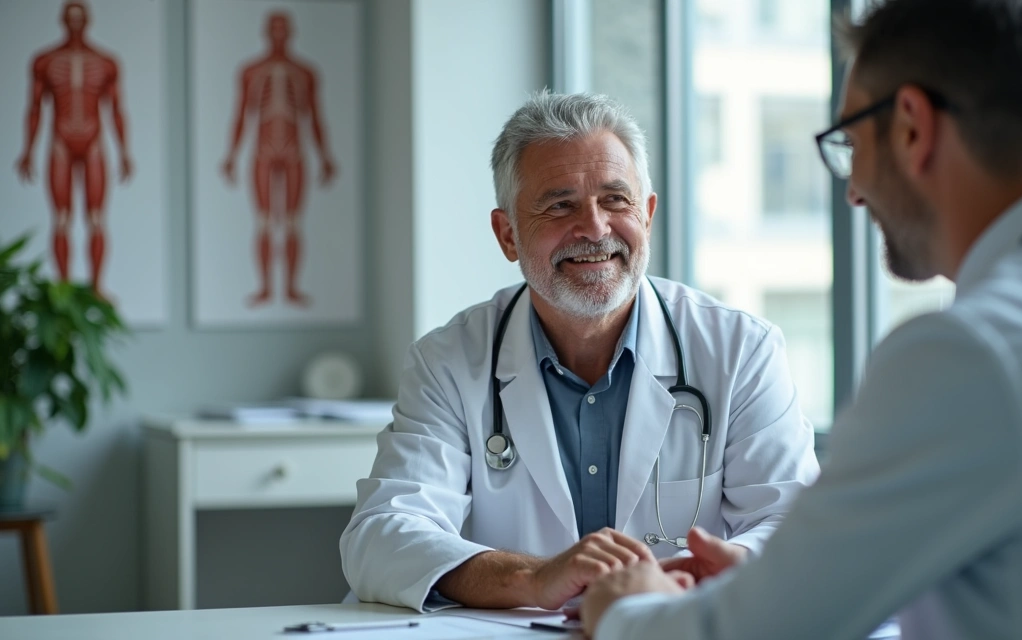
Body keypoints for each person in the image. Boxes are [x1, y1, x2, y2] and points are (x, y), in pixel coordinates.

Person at [578, 0, 1022, 637]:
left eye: (852, 142)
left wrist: (626, 607)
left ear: (912, 127)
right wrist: (783, 583)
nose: (853, 189)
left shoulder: (974, 352)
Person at [340, 91, 819, 612]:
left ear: (648, 215)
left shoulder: (741, 351)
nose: (594, 228)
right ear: (508, 235)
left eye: (616, 199)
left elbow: (793, 527)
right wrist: (535, 578)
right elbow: (381, 536)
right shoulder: (450, 361)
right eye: (560, 205)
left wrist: (688, 582)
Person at [15, 1, 132, 296]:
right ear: (63, 21)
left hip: (93, 142)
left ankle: (96, 286)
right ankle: (64, 288)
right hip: (60, 143)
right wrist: (27, 150)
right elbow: (34, 109)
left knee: (95, 218)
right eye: (71, 18)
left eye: (80, 18)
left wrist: (124, 152)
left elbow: (117, 109)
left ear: (88, 21)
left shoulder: (106, 62)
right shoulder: (45, 61)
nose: (75, 24)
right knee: (63, 218)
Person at [221, 11, 337, 308]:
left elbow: (315, 118)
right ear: (266, 32)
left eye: (284, 28)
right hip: (263, 149)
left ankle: (292, 287)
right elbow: (241, 116)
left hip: (294, 150)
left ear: (291, 32)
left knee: (293, 221)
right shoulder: (250, 71)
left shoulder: (306, 72)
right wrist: (231, 156)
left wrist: (325, 156)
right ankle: (264, 287)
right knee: (263, 221)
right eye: (274, 28)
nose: (279, 34)